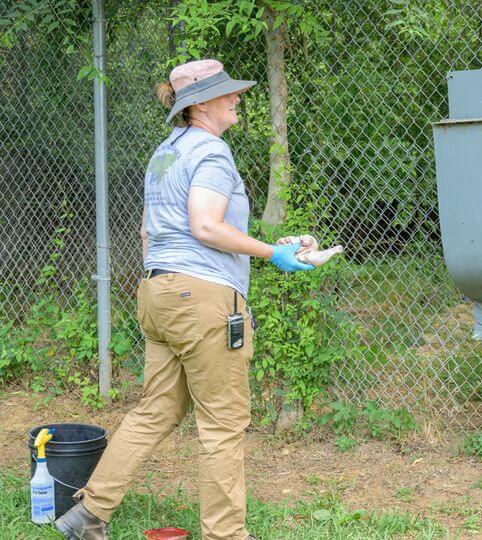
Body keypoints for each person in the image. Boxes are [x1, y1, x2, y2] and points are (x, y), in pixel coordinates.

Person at [55, 59, 313, 540]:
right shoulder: (213, 153)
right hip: (204, 300)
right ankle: (226, 535)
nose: (237, 98)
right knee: (222, 422)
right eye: (228, 93)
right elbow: (206, 226)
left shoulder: (166, 153)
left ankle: (89, 514)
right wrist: (272, 253)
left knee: (156, 409)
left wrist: (273, 243)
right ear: (202, 104)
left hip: (159, 290)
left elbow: (150, 231)